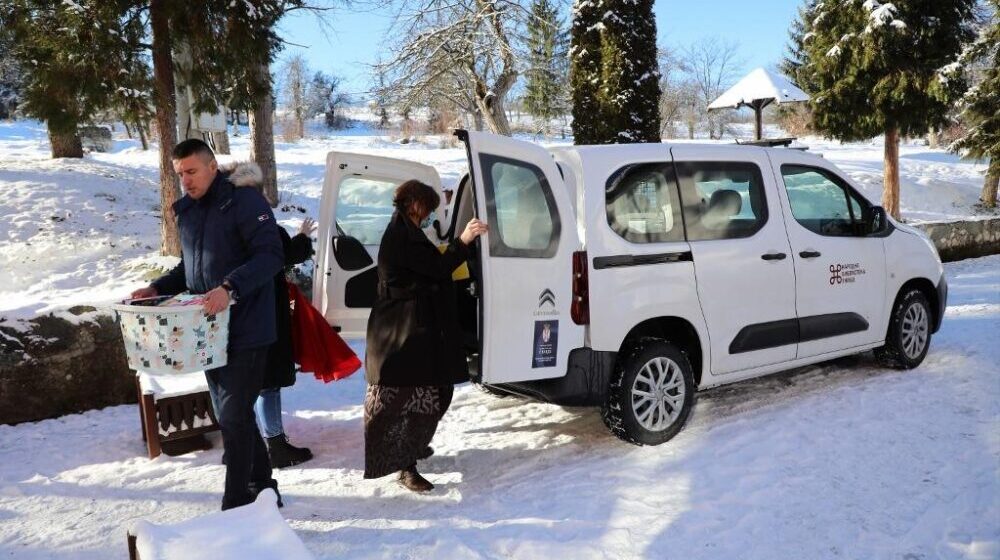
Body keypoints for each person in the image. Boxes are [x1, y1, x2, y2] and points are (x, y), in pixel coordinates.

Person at [131, 139, 284, 511]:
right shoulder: (190, 212)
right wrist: (156, 288)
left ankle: (237, 503)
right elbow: (190, 269)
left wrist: (230, 288)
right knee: (235, 415)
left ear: (212, 166)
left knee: (232, 416)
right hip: (208, 333)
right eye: (180, 173)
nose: (185, 180)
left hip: (247, 328)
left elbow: (271, 256)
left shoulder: (244, 201)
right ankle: (264, 488)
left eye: (191, 171)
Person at [363, 179, 487, 492]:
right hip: (402, 332)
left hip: (410, 329)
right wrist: (464, 240)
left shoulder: (406, 231)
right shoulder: (402, 236)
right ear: (415, 205)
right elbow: (436, 268)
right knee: (412, 399)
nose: (431, 215)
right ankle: (405, 466)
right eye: (429, 209)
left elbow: (429, 268)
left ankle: (413, 448)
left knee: (434, 391)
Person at [255, 216, 317, 468]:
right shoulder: (263, 225)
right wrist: (302, 236)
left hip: (235, 313)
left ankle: (242, 443)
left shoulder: (224, 224)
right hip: (265, 312)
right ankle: (276, 444)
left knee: (245, 383)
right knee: (268, 383)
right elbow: (287, 253)